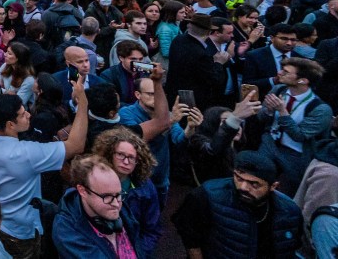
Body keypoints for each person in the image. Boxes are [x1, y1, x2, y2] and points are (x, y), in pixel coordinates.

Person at [0, 83, 88, 259]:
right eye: (23, 114)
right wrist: (83, 105)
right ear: (10, 124)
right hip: (22, 230)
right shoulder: (27, 154)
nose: (28, 114)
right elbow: (76, 145)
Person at [173, 150, 304, 259]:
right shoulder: (207, 195)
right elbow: (190, 237)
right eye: (239, 178)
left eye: (254, 184)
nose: (243, 187)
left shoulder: (290, 212)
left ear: (273, 186)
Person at [256, 57, 333, 196]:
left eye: (286, 72)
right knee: (256, 181)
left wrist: (282, 112)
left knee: (283, 193)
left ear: (302, 80)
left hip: (295, 156)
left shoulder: (320, 109)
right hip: (269, 144)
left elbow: (300, 135)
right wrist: (267, 110)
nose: (280, 73)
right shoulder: (279, 89)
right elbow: (261, 118)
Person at [52, 155, 146, 259]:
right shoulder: (66, 231)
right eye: (107, 196)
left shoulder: (118, 204)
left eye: (119, 194)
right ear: (83, 191)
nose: (116, 204)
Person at [91, 127, 162, 256]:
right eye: (120, 155)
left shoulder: (145, 188)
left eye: (131, 158)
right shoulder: (92, 180)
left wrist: (138, 253)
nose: (126, 162)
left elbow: (151, 230)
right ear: (109, 154)